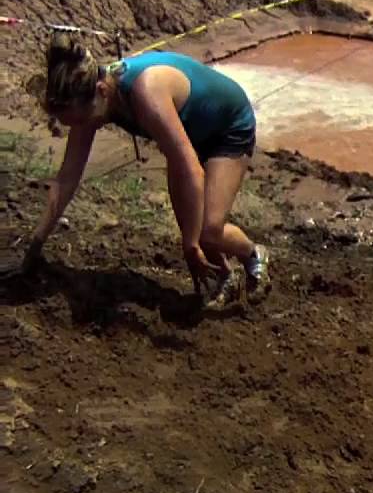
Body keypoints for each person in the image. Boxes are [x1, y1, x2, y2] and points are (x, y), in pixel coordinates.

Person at [6, 34, 270, 305]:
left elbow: (190, 168)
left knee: (207, 231)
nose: (83, 126)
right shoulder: (89, 97)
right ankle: (226, 277)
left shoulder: (145, 92)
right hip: (187, 134)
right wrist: (34, 247)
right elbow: (67, 179)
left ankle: (253, 255)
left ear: (102, 91)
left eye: (84, 119)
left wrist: (190, 246)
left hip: (228, 126)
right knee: (195, 230)